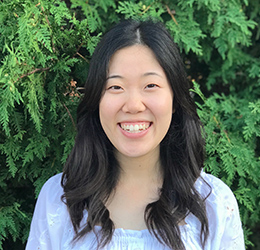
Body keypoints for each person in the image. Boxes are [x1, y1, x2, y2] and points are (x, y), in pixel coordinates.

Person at [26, 19, 245, 250]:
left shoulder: (214, 204)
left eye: (150, 85)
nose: (133, 105)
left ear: (174, 100)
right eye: (115, 87)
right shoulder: (58, 200)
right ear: (96, 101)